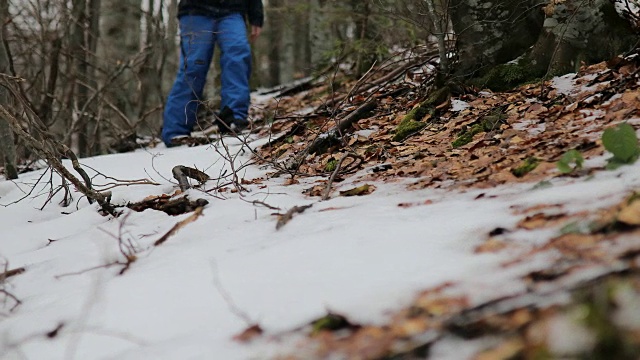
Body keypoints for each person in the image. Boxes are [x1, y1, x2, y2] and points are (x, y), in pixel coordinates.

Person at [162, 0, 264, 147]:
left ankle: (234, 120)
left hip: (233, 11)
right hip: (195, 10)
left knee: (238, 58)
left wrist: (256, 16)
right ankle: (176, 131)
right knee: (193, 67)